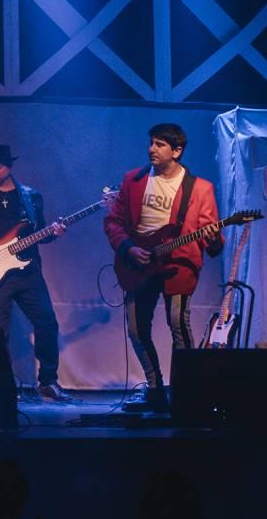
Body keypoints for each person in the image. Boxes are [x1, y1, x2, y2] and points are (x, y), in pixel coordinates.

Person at [104, 123, 223, 412]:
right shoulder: (133, 180)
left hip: (178, 266)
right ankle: (155, 387)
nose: (151, 149)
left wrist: (213, 237)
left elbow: (213, 244)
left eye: (159, 144)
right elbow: (113, 223)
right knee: (136, 328)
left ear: (177, 151)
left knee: (178, 324)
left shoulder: (200, 188)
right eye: (151, 143)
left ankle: (187, 391)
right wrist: (129, 249)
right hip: (138, 264)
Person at [0, 144, 71, 401]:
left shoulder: (30, 196)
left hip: (28, 272)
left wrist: (54, 233)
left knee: (47, 323)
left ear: (9, 167)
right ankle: (2, 387)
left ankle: (48, 382)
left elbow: (40, 234)